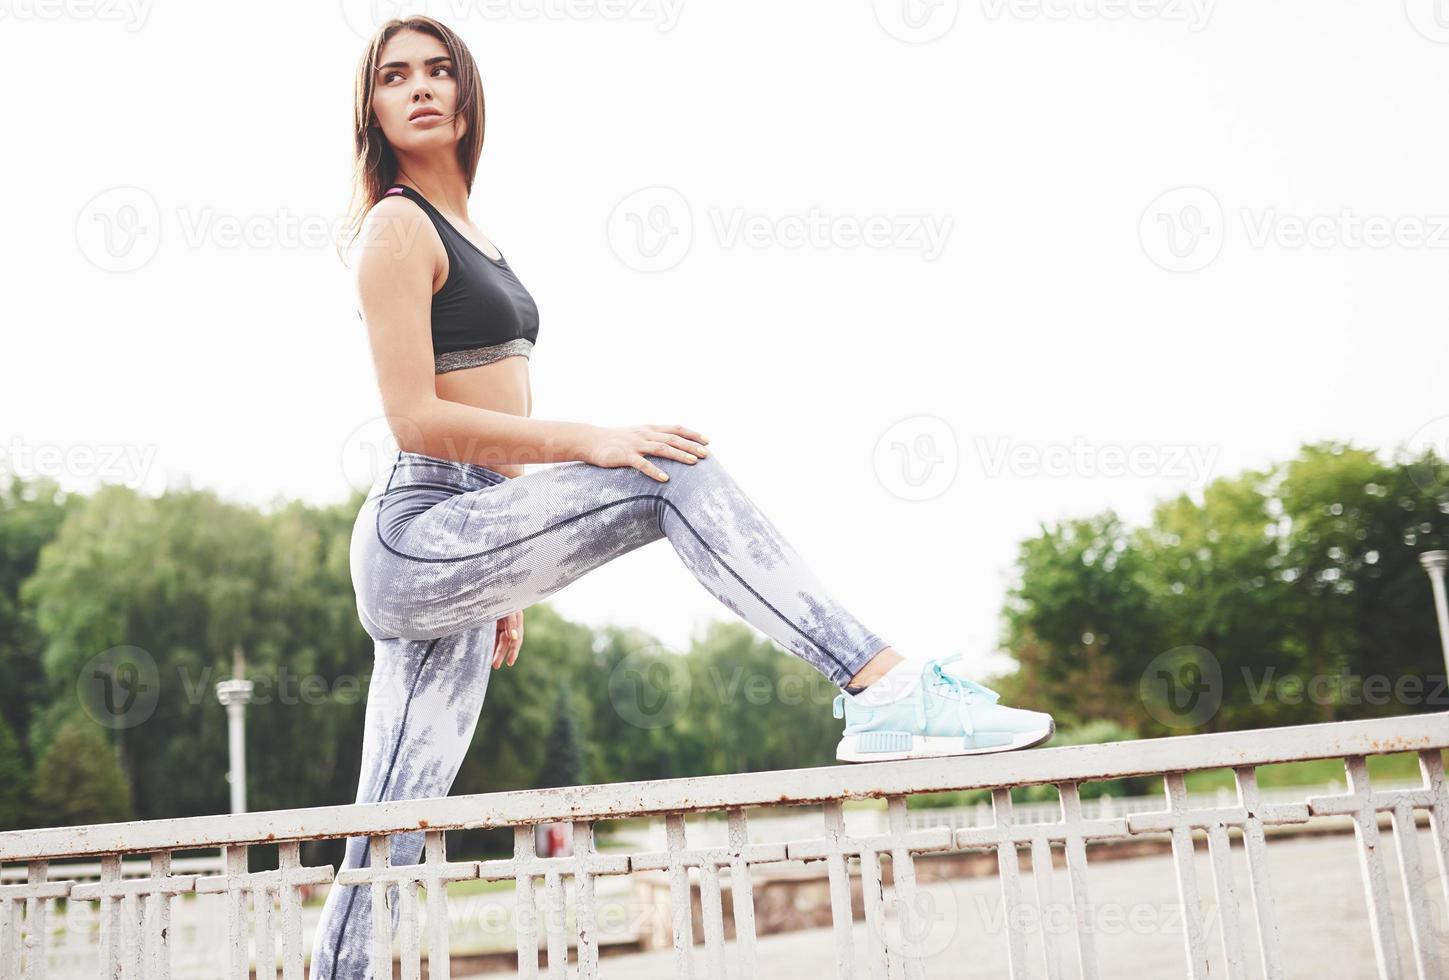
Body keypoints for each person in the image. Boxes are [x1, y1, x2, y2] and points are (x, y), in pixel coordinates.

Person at [310, 15, 1052, 977]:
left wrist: (513, 576)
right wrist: (594, 441)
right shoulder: (395, 225)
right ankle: (879, 688)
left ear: (467, 92)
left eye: (438, 69)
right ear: (369, 107)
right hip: (423, 526)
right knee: (673, 471)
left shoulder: (472, 234)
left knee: (390, 827)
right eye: (394, 76)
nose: (418, 87)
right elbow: (415, 418)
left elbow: (492, 403)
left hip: (476, 529)